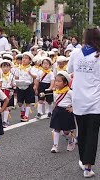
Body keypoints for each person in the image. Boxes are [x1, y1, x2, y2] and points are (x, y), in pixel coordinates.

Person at [67, 27, 100, 178]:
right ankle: (87, 167)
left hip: (78, 99)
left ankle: (82, 160)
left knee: (83, 131)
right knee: (92, 134)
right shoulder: (99, 55)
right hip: (95, 100)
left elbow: (69, 70)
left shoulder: (75, 53)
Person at [50, 71, 76, 153]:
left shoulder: (69, 92)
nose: (56, 83)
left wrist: (73, 108)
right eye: (56, 80)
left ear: (65, 83)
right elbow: (55, 102)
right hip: (58, 110)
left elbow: (76, 101)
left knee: (66, 131)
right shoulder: (55, 91)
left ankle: (71, 141)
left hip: (66, 112)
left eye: (59, 81)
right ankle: (55, 146)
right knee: (56, 128)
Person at [15, 52, 36, 122]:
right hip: (20, 86)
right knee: (19, 103)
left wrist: (30, 74)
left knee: (28, 102)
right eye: (23, 58)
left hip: (28, 85)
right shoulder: (18, 68)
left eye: (26, 58)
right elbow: (16, 77)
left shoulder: (31, 68)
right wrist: (16, 83)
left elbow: (35, 76)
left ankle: (26, 116)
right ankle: (22, 111)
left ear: (30, 60)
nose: (24, 60)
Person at [0, 60, 15, 128]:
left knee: (6, 106)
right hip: (0, 91)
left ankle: (5, 121)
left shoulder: (11, 75)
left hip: (8, 91)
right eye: (3, 67)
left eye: (7, 67)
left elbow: (15, 84)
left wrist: (13, 84)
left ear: (10, 68)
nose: (5, 68)